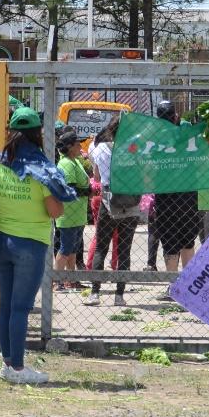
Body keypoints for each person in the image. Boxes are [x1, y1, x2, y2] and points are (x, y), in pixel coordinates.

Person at [0, 107, 71, 384]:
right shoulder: (40, 170)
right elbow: (55, 212)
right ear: (37, 134)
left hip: (2, 241)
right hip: (30, 245)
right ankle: (19, 370)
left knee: (7, 306)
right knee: (21, 308)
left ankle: (7, 363)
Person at [84, 117, 141, 306]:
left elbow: (98, 177)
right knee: (124, 250)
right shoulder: (135, 148)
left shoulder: (101, 149)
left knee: (102, 246)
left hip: (109, 202)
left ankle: (95, 293)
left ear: (111, 129)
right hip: (132, 203)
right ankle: (119, 296)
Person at [150, 101, 200, 286]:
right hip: (184, 193)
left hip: (168, 193)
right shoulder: (187, 129)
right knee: (186, 239)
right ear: (176, 115)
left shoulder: (156, 134)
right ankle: (185, 284)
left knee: (173, 240)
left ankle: (174, 284)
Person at [52, 127, 90, 293]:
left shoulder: (74, 161)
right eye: (77, 144)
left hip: (77, 214)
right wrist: (90, 191)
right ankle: (56, 281)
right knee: (66, 248)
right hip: (69, 214)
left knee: (73, 249)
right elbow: (70, 188)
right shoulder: (66, 163)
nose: (80, 147)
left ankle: (71, 280)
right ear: (69, 146)